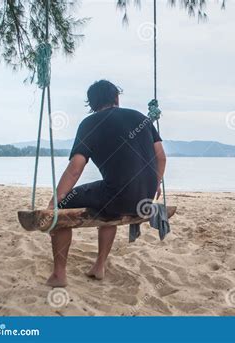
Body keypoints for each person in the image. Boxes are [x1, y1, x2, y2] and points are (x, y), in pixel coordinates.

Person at [46, 80, 166, 287]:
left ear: (91, 105)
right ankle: (99, 266)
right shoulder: (141, 118)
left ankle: (59, 275)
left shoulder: (90, 123)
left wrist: (54, 201)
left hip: (119, 196)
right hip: (144, 198)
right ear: (116, 98)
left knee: (64, 205)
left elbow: (76, 168)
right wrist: (155, 184)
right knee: (110, 197)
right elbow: (161, 157)